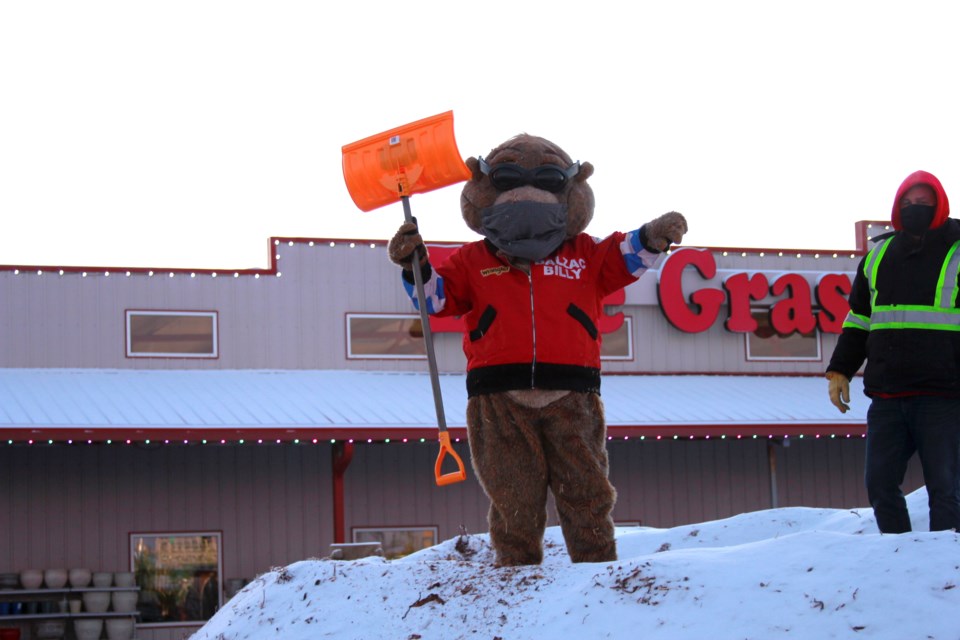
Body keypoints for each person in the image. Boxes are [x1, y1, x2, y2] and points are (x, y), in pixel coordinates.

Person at [388, 133, 687, 565]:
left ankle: (596, 574)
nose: (526, 195)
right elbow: (434, 300)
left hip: (573, 392)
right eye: (509, 181)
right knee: (513, 496)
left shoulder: (584, 253)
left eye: (547, 182)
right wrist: (414, 264)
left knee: (585, 488)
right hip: (498, 398)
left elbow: (624, 256)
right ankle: (517, 577)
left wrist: (652, 237)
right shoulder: (472, 260)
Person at [826, 169, 960, 533]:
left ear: (940, 206)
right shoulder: (878, 255)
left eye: (923, 203)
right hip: (888, 395)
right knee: (880, 486)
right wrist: (840, 369)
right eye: (908, 203)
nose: (914, 209)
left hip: (943, 396)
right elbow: (859, 320)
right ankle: (898, 558)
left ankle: (948, 569)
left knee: (946, 491)